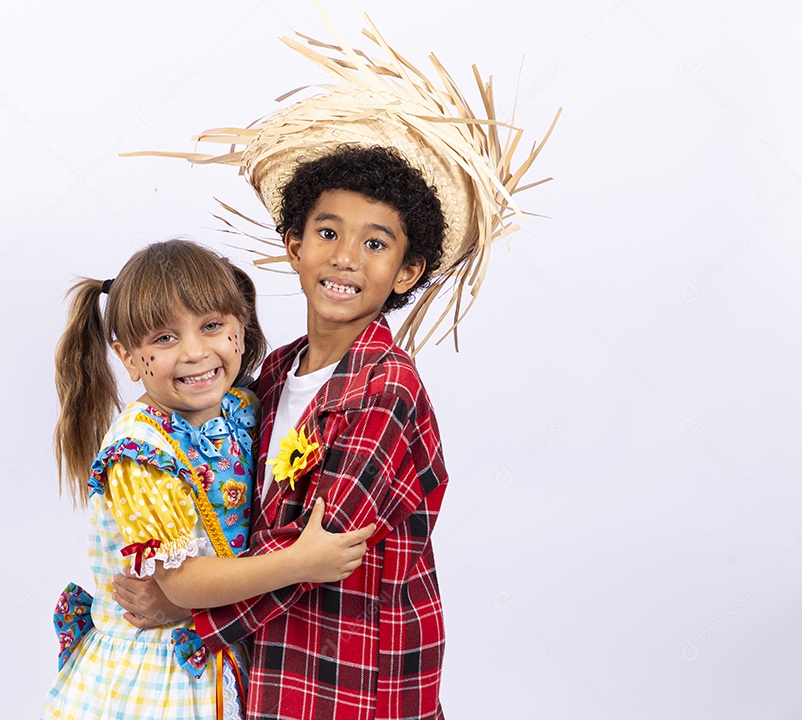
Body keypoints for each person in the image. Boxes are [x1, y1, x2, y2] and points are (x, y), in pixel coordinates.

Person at [114, 13, 558, 720]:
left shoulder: (386, 388)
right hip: (277, 668)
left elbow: (322, 550)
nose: (347, 257)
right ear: (294, 245)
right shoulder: (271, 374)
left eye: (376, 244)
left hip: (359, 675)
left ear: (407, 270)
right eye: (328, 232)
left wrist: (183, 603)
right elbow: (244, 515)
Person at [40, 239, 375, 720]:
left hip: (226, 648)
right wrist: (299, 563)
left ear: (241, 325)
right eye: (164, 338)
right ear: (129, 358)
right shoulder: (141, 454)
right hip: (161, 675)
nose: (195, 351)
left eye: (212, 326)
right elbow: (183, 583)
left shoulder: (244, 408)